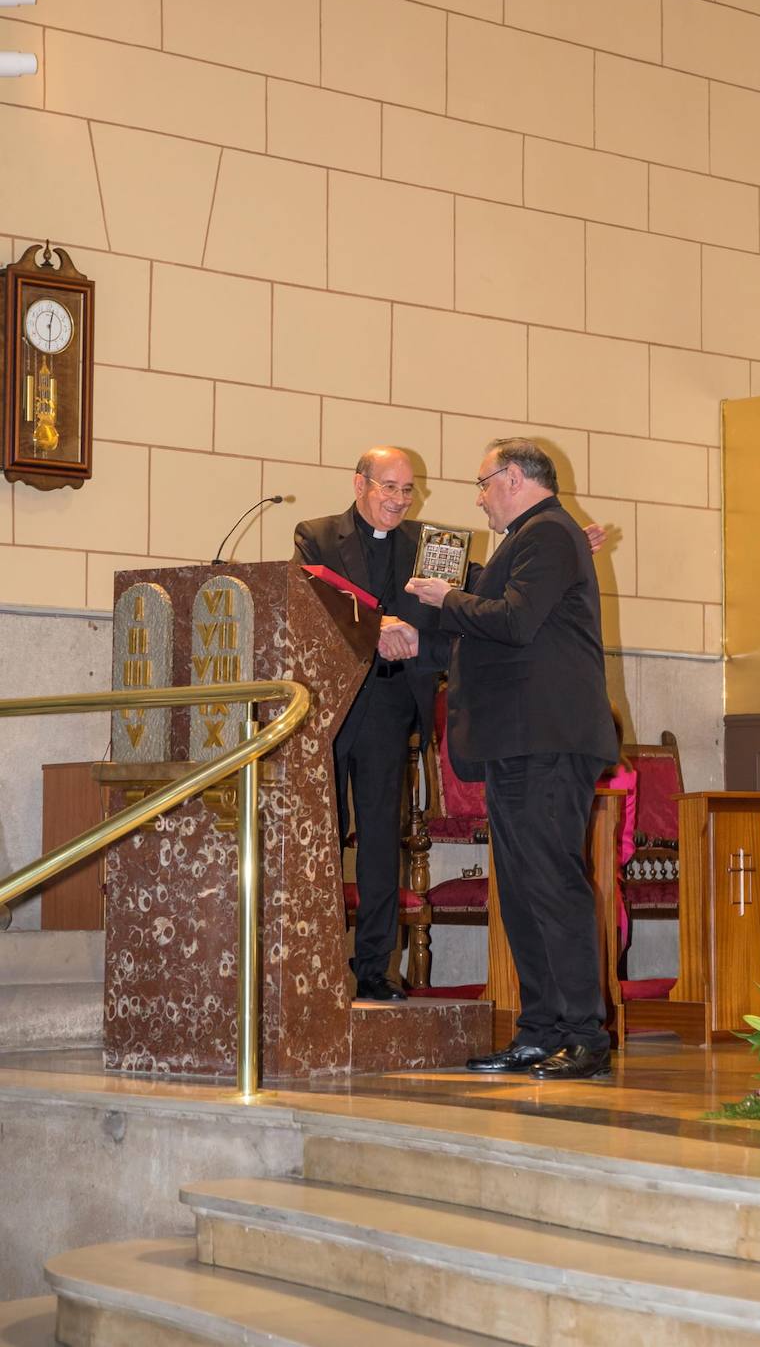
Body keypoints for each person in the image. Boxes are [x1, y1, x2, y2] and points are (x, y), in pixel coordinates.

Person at [404, 438, 619, 1080]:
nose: (477, 497)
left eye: (482, 482)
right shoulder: (534, 537)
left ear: (515, 478)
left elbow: (518, 622)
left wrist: (447, 599)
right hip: (520, 741)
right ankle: (539, 1030)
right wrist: (417, 637)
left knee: (552, 885)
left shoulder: (548, 533)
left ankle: (585, 1035)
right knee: (524, 893)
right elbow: (495, 636)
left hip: (546, 740)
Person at [292, 447, 440, 1002]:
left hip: (389, 704)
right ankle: (318, 961)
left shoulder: (429, 546)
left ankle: (375, 967)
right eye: (390, 487)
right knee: (321, 836)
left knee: (381, 842)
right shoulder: (318, 534)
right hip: (330, 705)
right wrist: (376, 624)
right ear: (360, 484)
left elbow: (475, 585)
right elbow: (310, 603)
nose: (400, 500)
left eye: (408, 490)